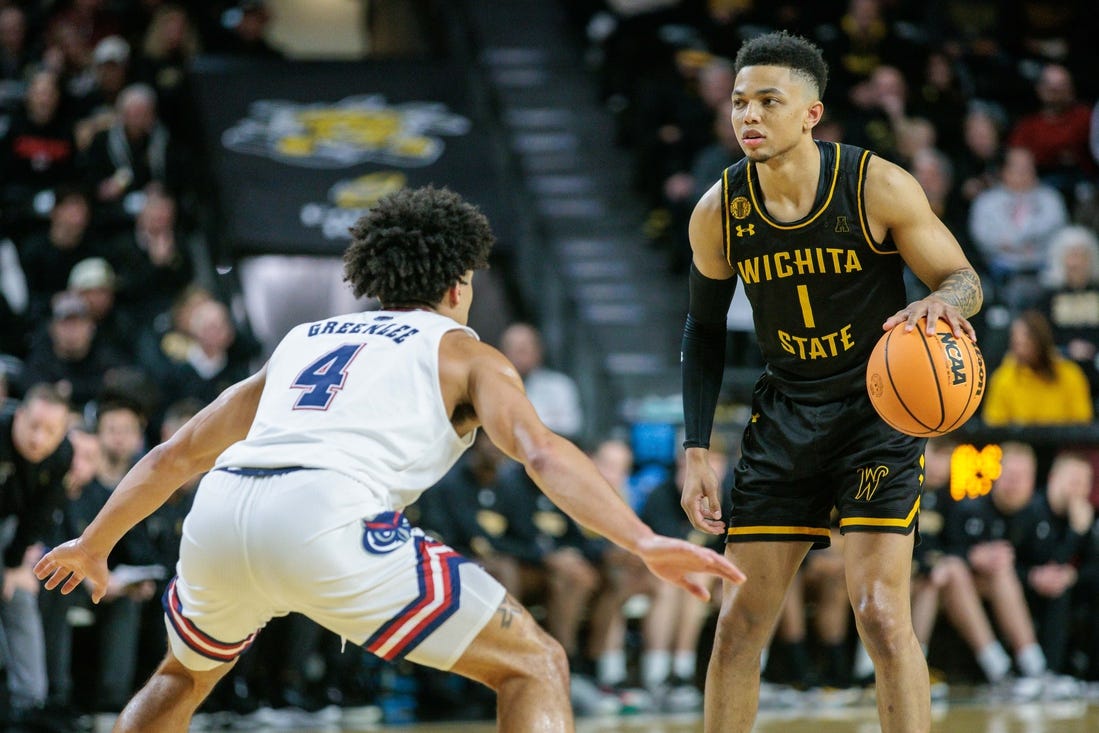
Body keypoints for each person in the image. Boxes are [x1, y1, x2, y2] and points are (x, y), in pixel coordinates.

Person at [34, 185, 745, 733]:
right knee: (535, 663)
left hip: (222, 508)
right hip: (326, 514)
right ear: (458, 283)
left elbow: (178, 451)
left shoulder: (306, 337)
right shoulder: (464, 349)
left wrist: (95, 541)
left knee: (180, 678)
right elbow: (542, 451)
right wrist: (643, 538)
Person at [678, 31, 982, 733]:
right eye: (738, 102)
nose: (747, 115)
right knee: (737, 625)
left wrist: (944, 301)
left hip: (878, 416)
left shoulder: (874, 183)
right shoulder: (718, 210)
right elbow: (700, 329)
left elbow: (963, 279)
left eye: (767, 101)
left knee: (878, 614)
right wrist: (696, 446)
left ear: (810, 113)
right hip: (785, 415)